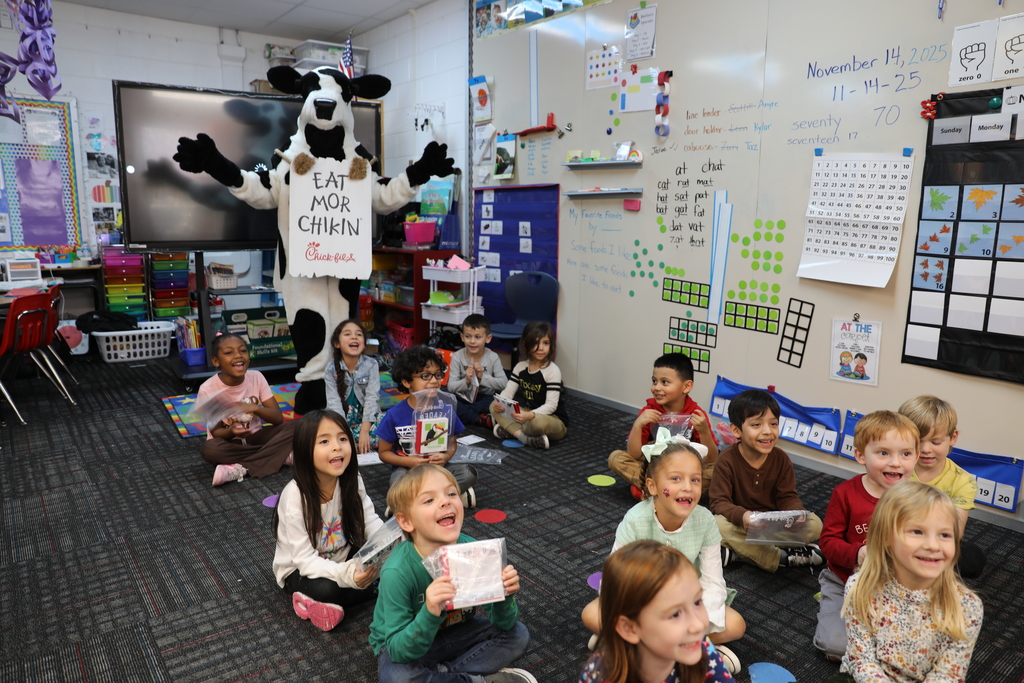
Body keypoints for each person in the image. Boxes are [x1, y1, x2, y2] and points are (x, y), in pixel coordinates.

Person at [581, 443, 745, 674]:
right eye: (676, 479)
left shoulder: (706, 520)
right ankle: (695, 651)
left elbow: (713, 582)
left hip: (687, 603)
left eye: (695, 480)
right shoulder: (635, 520)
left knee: (737, 625)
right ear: (653, 486)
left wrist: (687, 623)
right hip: (641, 601)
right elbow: (614, 580)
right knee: (591, 614)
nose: (688, 487)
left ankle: (631, 644)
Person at [368, 465, 535, 683]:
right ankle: (476, 680)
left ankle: (444, 676)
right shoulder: (397, 571)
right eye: (429, 500)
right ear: (406, 521)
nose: (446, 501)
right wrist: (429, 612)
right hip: (404, 644)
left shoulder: (473, 551)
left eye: (452, 493)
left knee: (518, 635)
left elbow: (503, 623)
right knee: (396, 677)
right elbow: (399, 651)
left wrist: (504, 595)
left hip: (457, 633)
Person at [839, 482, 983, 682]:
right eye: (917, 532)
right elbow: (862, 662)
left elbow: (947, 675)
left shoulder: (967, 606)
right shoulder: (861, 588)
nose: (933, 545)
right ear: (886, 536)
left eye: (944, 535)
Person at [814, 410, 919, 661]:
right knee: (835, 647)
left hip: (897, 585)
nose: (896, 462)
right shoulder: (845, 494)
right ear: (861, 455)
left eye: (906, 454)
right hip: (845, 581)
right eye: (883, 453)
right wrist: (858, 553)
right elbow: (828, 543)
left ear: (916, 456)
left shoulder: (917, 498)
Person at [272, 409, 383, 631]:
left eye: (343, 438)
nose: (337, 446)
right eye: (324, 441)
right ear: (305, 450)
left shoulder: (352, 480)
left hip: (342, 557)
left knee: (391, 561)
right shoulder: (295, 496)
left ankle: (345, 597)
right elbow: (304, 560)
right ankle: (313, 599)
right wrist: (348, 575)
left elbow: (369, 521)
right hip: (301, 571)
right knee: (327, 589)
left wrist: (388, 545)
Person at [579, 540, 736, 683]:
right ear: (630, 628)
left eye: (697, 602)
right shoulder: (601, 676)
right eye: (675, 614)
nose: (698, 626)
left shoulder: (699, 645)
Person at [708, 389, 824, 571]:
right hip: (742, 523)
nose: (767, 431)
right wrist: (743, 516)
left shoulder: (781, 459)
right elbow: (719, 503)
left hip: (772, 525)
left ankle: (740, 552)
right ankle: (781, 558)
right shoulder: (726, 460)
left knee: (815, 524)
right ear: (736, 430)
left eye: (773, 424)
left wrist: (796, 516)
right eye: (756, 425)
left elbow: (787, 497)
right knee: (717, 525)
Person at [607, 352, 719, 501]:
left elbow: (711, 459)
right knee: (615, 458)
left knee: (719, 471)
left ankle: (652, 490)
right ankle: (671, 494)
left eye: (665, 382)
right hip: (655, 467)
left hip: (685, 471)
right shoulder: (649, 411)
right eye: (654, 381)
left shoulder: (696, 415)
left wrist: (704, 431)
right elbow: (634, 455)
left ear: (686, 386)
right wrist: (638, 425)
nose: (656, 387)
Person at [376, 345, 477, 505]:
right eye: (425, 376)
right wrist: (410, 462)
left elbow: (451, 444)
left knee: (468, 472)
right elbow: (384, 453)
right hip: (409, 471)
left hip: (439, 469)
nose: (434, 381)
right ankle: (449, 496)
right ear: (406, 381)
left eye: (437, 375)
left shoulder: (445, 409)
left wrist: (445, 457)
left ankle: (412, 502)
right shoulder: (395, 414)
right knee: (398, 480)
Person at [898, 395, 986, 579]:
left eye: (935, 442)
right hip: (896, 534)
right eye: (917, 441)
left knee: (971, 559)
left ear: (952, 437)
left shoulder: (963, 481)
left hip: (934, 540)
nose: (926, 449)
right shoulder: (897, 467)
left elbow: (955, 531)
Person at [195, 333, 296, 485]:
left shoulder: (257, 377)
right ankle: (279, 455)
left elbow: (277, 418)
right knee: (209, 450)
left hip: (256, 437)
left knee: (299, 426)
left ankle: (241, 468)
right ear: (216, 361)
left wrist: (255, 408)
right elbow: (216, 433)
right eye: (229, 352)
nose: (238, 356)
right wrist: (232, 431)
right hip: (229, 444)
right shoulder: (207, 389)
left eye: (242, 351)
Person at [489, 321, 567, 450]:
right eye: (535, 343)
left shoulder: (552, 370)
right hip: (528, 415)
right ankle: (525, 437)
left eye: (545, 343)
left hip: (553, 419)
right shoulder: (521, 367)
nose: (541, 348)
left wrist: (530, 416)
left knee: (538, 423)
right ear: (525, 344)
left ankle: (511, 431)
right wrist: (501, 403)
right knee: (493, 406)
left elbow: (551, 406)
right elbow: (508, 392)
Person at [325, 319, 381, 454]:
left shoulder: (372, 364)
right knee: (321, 429)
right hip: (342, 424)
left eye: (359, 334)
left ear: (364, 344)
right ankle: (355, 444)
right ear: (337, 343)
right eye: (347, 334)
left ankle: (352, 446)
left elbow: (372, 398)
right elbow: (334, 404)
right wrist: (345, 434)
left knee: (390, 422)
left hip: (367, 422)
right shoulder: (331, 369)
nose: (354, 337)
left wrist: (365, 431)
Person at [446, 314, 507, 428]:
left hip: (484, 397)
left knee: (495, 403)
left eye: (478, 337)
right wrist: (467, 381)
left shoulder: (493, 357)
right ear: (462, 337)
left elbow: (503, 384)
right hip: (463, 396)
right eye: (468, 336)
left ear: (488, 338)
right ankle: (479, 419)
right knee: (446, 399)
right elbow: (451, 387)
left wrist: (482, 377)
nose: (472, 341)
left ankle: (462, 414)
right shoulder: (457, 356)